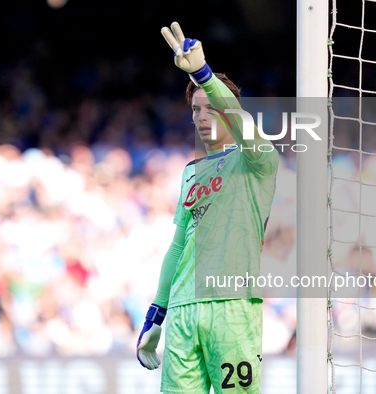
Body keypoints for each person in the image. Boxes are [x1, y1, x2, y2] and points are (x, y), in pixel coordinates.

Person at [136, 22, 279, 394]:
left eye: (211, 108)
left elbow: (242, 124)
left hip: (232, 307)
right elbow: (179, 245)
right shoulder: (191, 173)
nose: (201, 116)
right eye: (195, 109)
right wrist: (158, 312)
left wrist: (203, 74)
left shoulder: (257, 160)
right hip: (183, 311)